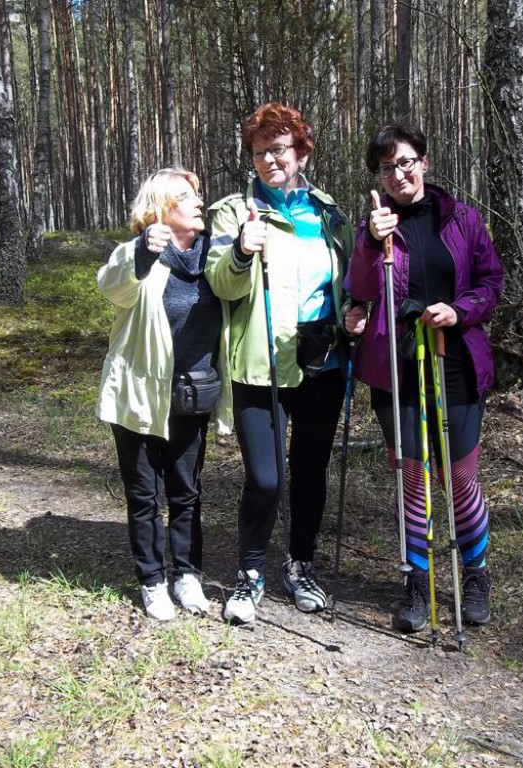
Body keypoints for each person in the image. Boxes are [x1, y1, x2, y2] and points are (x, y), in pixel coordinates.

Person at [344, 123, 504, 631]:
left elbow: (491, 281)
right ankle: (417, 581)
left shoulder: (462, 219)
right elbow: (360, 288)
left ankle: (474, 573)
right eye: (388, 167)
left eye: (406, 162)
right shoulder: (375, 227)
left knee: (458, 477)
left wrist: (460, 311)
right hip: (397, 367)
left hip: (455, 358)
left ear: (425, 163)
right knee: (413, 479)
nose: (398, 174)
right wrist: (372, 241)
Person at [205, 102, 354, 624]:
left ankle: (300, 566)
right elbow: (221, 283)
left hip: (324, 362)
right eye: (260, 151)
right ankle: (248, 576)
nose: (271, 159)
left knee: (311, 471)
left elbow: (347, 281)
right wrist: (242, 252)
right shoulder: (233, 212)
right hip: (258, 363)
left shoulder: (328, 212)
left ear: (301, 151)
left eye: (280, 149)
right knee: (266, 478)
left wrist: (355, 314)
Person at [97, 168, 230, 621]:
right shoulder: (137, 256)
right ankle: (153, 581)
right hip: (139, 395)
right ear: (160, 211)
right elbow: (112, 284)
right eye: (186, 196)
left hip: (193, 394)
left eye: (198, 194)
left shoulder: (213, 255)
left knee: (186, 492)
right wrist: (139, 251)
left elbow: (241, 276)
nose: (199, 202)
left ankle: (187, 576)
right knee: (144, 495)